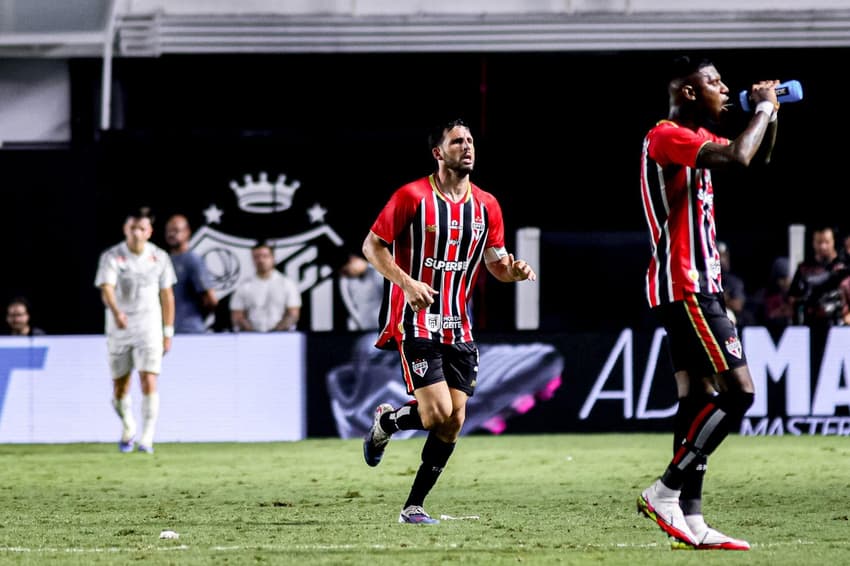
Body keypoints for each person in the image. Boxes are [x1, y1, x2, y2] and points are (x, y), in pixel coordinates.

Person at [360, 118, 537, 525]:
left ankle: (411, 500)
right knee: (438, 412)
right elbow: (372, 245)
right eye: (457, 141)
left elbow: (496, 264)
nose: (467, 146)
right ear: (438, 152)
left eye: (470, 140)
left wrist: (514, 271)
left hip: (459, 324)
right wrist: (405, 282)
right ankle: (389, 429)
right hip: (416, 322)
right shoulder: (412, 196)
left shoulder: (487, 205)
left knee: (453, 420)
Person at [637, 55, 781, 551]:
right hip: (687, 284)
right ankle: (666, 489)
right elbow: (741, 157)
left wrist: (771, 114)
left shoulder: (695, 140)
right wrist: (759, 110)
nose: (726, 89)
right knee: (740, 393)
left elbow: (755, 156)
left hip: (695, 286)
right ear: (691, 92)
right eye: (715, 82)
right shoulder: (667, 136)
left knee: (697, 398)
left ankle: (691, 518)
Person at [94, 206, 176, 454]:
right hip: (119, 327)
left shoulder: (159, 257)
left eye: (142, 228)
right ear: (125, 229)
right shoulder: (112, 256)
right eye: (133, 228)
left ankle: (147, 438)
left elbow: (167, 295)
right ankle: (129, 425)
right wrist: (117, 311)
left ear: (149, 231)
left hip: (149, 326)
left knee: (148, 377)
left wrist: (168, 330)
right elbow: (106, 287)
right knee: (120, 386)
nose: (137, 233)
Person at [787, 225, 849, 331]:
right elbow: (793, 298)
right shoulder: (804, 268)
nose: (823, 246)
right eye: (819, 242)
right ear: (813, 243)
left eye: (827, 242)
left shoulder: (845, 267)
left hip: (841, 326)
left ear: (833, 241)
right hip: (811, 325)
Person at [229, 242, 301, 332]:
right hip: (251, 337)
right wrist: (254, 334)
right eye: (257, 257)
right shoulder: (244, 286)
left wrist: (275, 332)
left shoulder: (287, 284)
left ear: (273, 258)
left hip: (282, 336)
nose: (261, 260)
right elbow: (237, 315)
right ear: (252, 259)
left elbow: (293, 314)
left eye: (265, 256)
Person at [164, 214, 218, 333]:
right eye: (168, 231)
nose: (171, 234)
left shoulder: (192, 260)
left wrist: (193, 317)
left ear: (187, 232)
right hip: (168, 329)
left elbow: (211, 299)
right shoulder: (165, 260)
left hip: (189, 329)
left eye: (176, 230)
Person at [338, 251, 385, 331]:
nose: (347, 275)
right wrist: (358, 323)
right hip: (364, 327)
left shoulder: (378, 273)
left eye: (347, 271)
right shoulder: (346, 281)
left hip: (383, 326)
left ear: (353, 260)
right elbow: (350, 305)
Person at [716, 241, 751, 328]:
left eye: (725, 256)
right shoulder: (705, 280)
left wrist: (719, 299)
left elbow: (737, 305)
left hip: (733, 324)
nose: (723, 260)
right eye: (719, 256)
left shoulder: (734, 282)